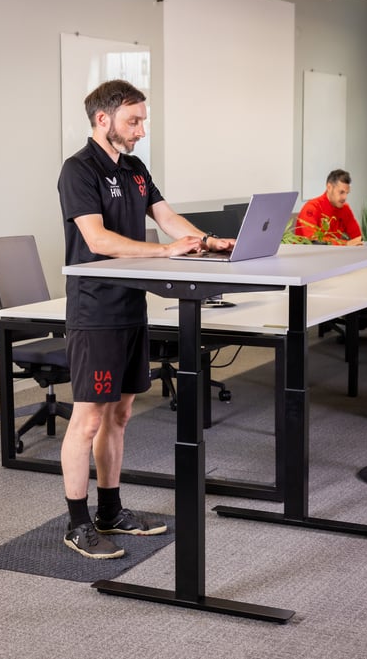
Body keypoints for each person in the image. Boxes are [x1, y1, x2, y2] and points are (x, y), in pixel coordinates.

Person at [58, 79, 235, 559]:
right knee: (89, 418)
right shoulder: (78, 170)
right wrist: (164, 250)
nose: (140, 129)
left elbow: (168, 216)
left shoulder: (134, 168)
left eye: (142, 120)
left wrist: (208, 240)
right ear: (103, 119)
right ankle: (77, 524)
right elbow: (97, 240)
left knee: (121, 413)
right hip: (96, 311)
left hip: (133, 306)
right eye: (133, 120)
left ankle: (110, 512)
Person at [295, 169, 363, 245]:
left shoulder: (345, 209)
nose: (345, 197)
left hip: (333, 254)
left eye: (347, 193)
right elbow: (313, 241)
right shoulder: (311, 208)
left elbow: (358, 237)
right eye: (341, 192)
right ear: (329, 187)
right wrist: (346, 244)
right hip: (308, 254)